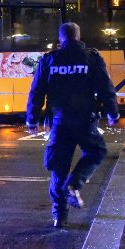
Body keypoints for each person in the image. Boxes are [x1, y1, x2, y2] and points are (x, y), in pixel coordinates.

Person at [26, 22, 119, 228]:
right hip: (85, 121)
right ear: (79, 37)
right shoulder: (91, 58)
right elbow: (106, 88)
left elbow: (36, 92)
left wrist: (32, 119)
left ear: (60, 39)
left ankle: (59, 216)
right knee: (97, 151)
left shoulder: (49, 60)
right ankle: (75, 183)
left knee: (59, 168)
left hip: (59, 123)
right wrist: (113, 113)